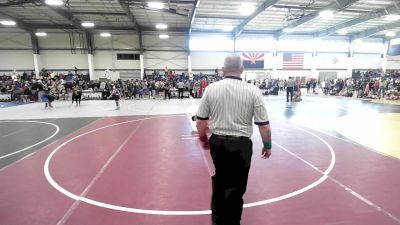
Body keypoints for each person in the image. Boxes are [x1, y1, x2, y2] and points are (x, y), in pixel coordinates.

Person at [196, 54, 272, 225]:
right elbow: (264, 126)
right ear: (242, 70)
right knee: (237, 187)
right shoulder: (253, 91)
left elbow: (200, 121)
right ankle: (234, 221)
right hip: (242, 146)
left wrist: (203, 139)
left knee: (220, 182)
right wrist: (267, 145)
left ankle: (217, 221)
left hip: (219, 143)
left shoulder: (211, 89)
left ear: (223, 70)